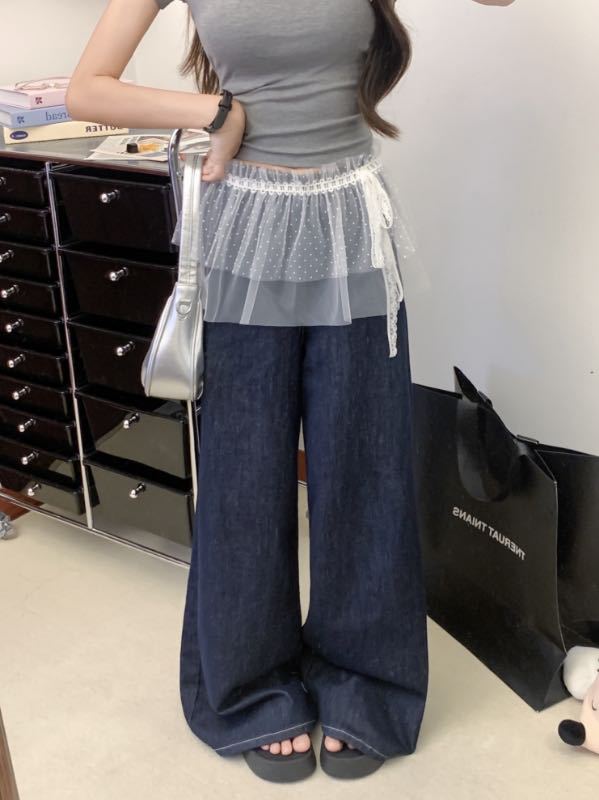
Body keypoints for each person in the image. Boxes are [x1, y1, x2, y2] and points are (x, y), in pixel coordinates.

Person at [66, 0, 516, 783]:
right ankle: (250, 687)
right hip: (244, 229)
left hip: (349, 228)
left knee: (365, 470)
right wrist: (216, 111)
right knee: (243, 477)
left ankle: (364, 682)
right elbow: (87, 89)